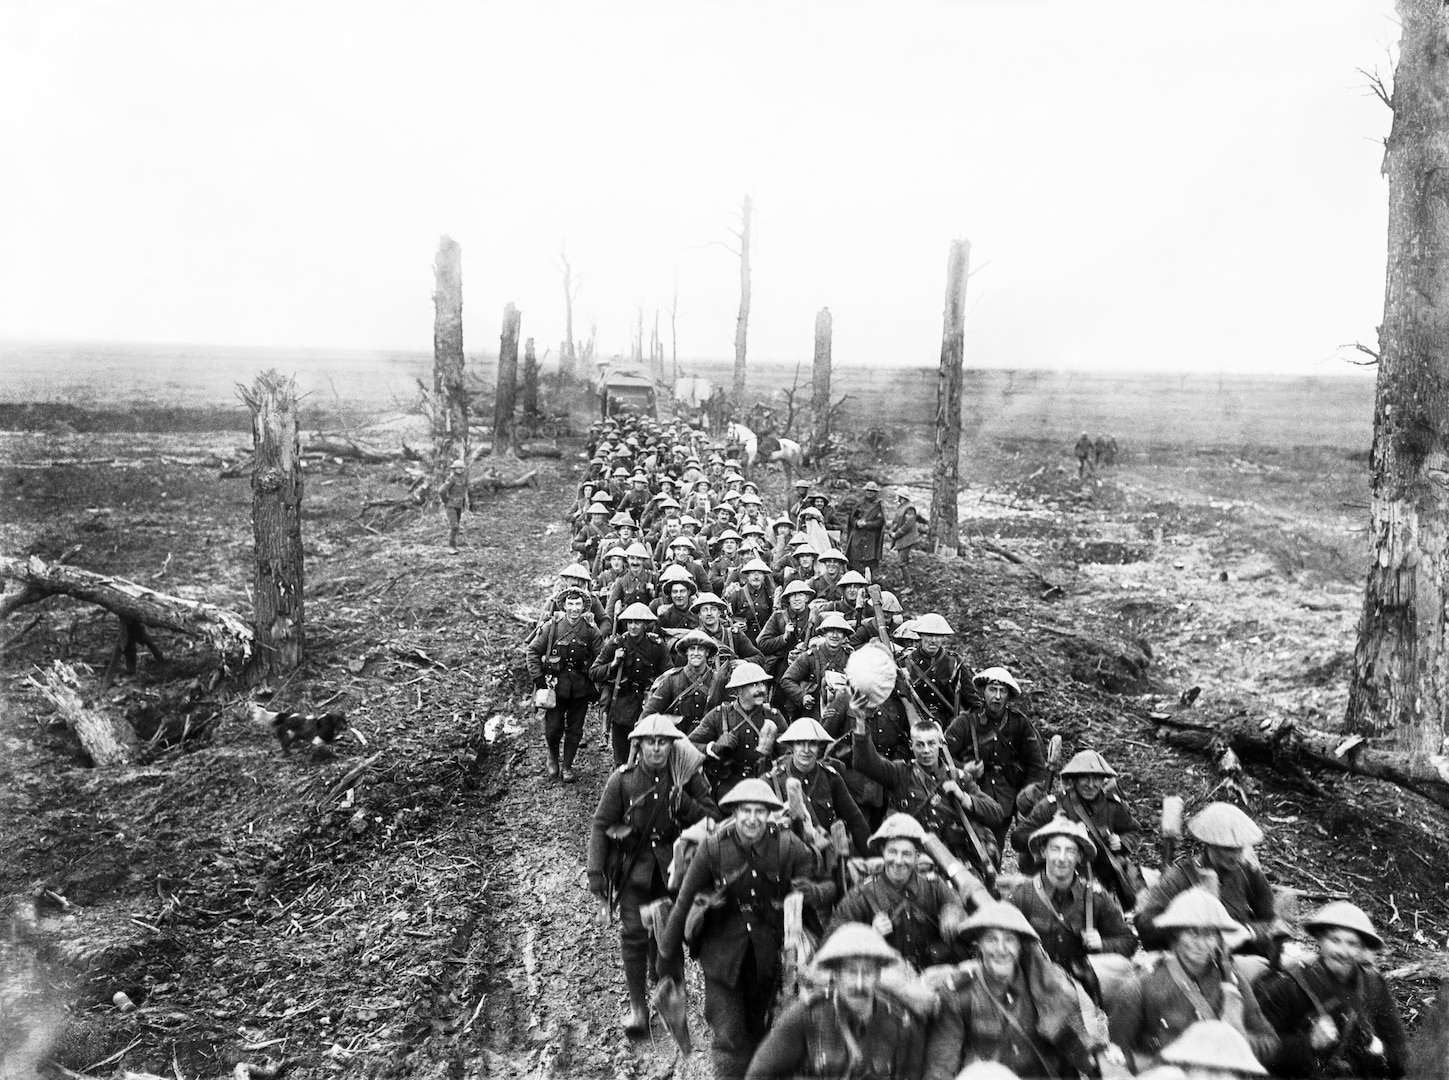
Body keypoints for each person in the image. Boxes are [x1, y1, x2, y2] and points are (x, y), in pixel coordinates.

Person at [657, 778, 837, 1080]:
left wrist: (809, 894)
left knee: (762, 1032)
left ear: (769, 814)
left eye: (759, 811)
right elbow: (684, 901)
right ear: (735, 813)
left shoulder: (788, 847)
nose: (752, 819)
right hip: (721, 954)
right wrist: (665, 961)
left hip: (770, 955)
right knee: (729, 1037)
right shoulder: (714, 849)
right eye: (745, 811)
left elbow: (829, 887)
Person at [587, 715, 720, 1035]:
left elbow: (714, 818)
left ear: (672, 745)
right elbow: (601, 826)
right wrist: (596, 875)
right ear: (639, 745)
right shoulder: (623, 780)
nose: (657, 749)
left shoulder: (686, 777)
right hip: (634, 871)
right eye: (651, 742)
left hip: (673, 872)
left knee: (668, 938)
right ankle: (638, 1009)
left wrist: (686, 803)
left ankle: (669, 996)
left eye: (663, 742)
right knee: (634, 935)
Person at [926, 901, 1106, 1080]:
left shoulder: (1047, 983)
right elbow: (941, 1064)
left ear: (1020, 946)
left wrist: (1102, 1055)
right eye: (991, 939)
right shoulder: (958, 993)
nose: (1001, 949)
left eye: (1009, 940)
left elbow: (1084, 1044)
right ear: (978, 945)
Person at [1110, 888, 1281, 1071]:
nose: (1201, 943)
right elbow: (1114, 1057)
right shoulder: (1142, 986)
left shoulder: (1232, 981)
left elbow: (1271, 1043)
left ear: (1218, 938)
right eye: (1192, 933)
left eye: (1209, 934)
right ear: (1175, 934)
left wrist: (1240, 1039)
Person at [744, 924, 936, 1080]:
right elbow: (758, 1074)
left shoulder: (902, 1024)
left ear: (878, 975)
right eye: (851, 972)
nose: (859, 984)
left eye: (867, 973)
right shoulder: (806, 1015)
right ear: (835, 974)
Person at [1253, 901, 1408, 1078]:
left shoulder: (1372, 984)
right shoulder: (1290, 984)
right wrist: (1308, 1043)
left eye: (1352, 944)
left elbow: (1400, 1051)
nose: (1343, 951)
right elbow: (1257, 1048)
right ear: (1320, 940)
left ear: (1361, 950)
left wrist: (1379, 1050)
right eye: (1335, 940)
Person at [1135, 803, 1282, 979]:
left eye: (1239, 848)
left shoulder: (1249, 873)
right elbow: (1146, 924)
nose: (1235, 856)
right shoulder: (1180, 877)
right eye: (1227, 849)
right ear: (1210, 845)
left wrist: (1246, 931)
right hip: (1190, 962)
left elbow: (1273, 922)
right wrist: (1187, 926)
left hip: (1237, 960)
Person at [852, 712, 1005, 880]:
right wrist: (860, 722)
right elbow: (865, 762)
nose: (926, 750)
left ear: (941, 743)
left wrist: (963, 797)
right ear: (911, 746)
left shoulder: (959, 778)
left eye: (931, 743)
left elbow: (996, 813)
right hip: (913, 857)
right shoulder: (900, 773)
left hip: (953, 858)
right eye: (920, 745)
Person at [1004, 816, 1136, 1001]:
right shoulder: (1022, 895)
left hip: (1079, 995)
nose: (1061, 858)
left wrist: (1102, 944)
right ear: (1044, 851)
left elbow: (1128, 942)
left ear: (1080, 856)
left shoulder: (1095, 897)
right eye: (1055, 849)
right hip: (1032, 991)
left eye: (1070, 851)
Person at [827, 813, 977, 971]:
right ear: (882, 852)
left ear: (917, 857)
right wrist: (870, 935)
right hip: (886, 985)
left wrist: (953, 911)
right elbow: (831, 945)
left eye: (906, 854)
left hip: (933, 979)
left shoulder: (934, 886)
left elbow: (968, 922)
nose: (898, 861)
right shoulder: (861, 895)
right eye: (892, 852)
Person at [1012, 749, 1144, 909]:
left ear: (1103, 780)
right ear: (1073, 779)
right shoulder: (1053, 805)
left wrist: (1122, 841)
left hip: (1098, 878)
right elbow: (1018, 838)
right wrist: (1051, 833)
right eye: (1084, 778)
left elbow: (1133, 831)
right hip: (1055, 877)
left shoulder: (1113, 806)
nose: (1091, 784)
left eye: (1096, 778)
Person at [944, 666, 1048, 851]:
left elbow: (1036, 766)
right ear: (983, 692)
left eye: (1003, 691)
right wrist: (963, 770)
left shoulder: (1019, 723)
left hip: (1005, 797)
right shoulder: (965, 722)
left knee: (995, 852)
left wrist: (1026, 798)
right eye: (993, 690)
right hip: (971, 795)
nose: (997, 696)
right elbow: (941, 757)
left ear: (1009, 696)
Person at [525, 587, 603, 782]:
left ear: (584, 607)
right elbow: (532, 651)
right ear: (564, 605)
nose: (574, 608)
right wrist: (539, 680)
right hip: (556, 687)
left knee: (575, 729)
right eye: (570, 604)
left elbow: (602, 657)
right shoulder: (552, 627)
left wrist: (596, 678)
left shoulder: (591, 630)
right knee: (553, 727)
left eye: (578, 604)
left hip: (581, 688)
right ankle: (552, 756)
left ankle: (567, 766)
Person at [765, 716, 872, 858]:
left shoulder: (830, 778)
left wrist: (873, 859)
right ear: (791, 746)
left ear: (820, 746)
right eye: (800, 743)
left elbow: (855, 821)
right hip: (787, 859)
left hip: (824, 857)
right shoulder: (775, 779)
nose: (806, 750)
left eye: (812, 744)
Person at [690, 661, 787, 800]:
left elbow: (788, 753)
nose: (762, 690)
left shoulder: (773, 716)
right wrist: (713, 748)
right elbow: (689, 745)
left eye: (762, 684)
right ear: (739, 690)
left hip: (764, 785)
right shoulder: (718, 715)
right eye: (754, 685)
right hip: (727, 787)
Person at [591, 602, 672, 767]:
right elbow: (594, 672)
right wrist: (613, 663)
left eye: (638, 622)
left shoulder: (656, 645)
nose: (633, 626)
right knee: (621, 754)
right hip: (621, 703)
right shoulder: (616, 644)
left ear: (645, 624)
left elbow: (669, 674)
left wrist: (655, 688)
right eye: (630, 622)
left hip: (646, 703)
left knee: (646, 750)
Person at [901, 614, 979, 728]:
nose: (933, 640)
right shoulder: (905, 663)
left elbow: (971, 697)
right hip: (914, 723)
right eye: (929, 635)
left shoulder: (954, 662)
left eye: (938, 636)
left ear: (943, 637)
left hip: (949, 724)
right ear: (920, 635)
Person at [642, 629, 722, 735]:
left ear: (707, 652)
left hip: (709, 741)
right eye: (692, 649)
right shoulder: (672, 679)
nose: (696, 653)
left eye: (701, 649)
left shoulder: (718, 679)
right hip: (679, 740)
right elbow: (650, 712)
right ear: (686, 652)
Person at [780, 612, 854, 721]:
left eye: (839, 632)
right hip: (814, 710)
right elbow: (787, 680)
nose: (834, 635)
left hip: (842, 711)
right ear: (824, 634)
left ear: (844, 637)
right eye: (830, 631)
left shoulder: (851, 659)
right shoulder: (810, 657)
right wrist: (802, 696)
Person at [844, 481, 887, 578]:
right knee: (854, 559)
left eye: (872, 491)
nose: (869, 493)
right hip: (858, 536)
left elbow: (880, 522)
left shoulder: (878, 506)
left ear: (876, 492)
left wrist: (867, 524)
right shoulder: (860, 504)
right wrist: (857, 523)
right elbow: (852, 518)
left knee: (869, 562)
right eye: (868, 490)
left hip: (871, 538)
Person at [889, 491, 920, 591]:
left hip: (907, 539)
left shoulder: (909, 508)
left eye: (898, 495)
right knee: (903, 561)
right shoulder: (903, 506)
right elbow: (897, 521)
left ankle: (909, 587)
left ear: (902, 497)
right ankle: (906, 584)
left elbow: (908, 525)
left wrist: (896, 534)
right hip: (902, 539)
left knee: (901, 561)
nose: (897, 497)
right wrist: (891, 531)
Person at [437, 458, 470, 552]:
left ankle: (454, 545)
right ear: (454, 469)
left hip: (459, 506)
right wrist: (446, 501)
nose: (459, 470)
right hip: (451, 505)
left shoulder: (462, 479)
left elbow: (463, 492)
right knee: (454, 526)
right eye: (457, 468)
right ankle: (451, 547)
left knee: (457, 526)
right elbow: (442, 491)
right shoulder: (451, 478)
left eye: (461, 468)